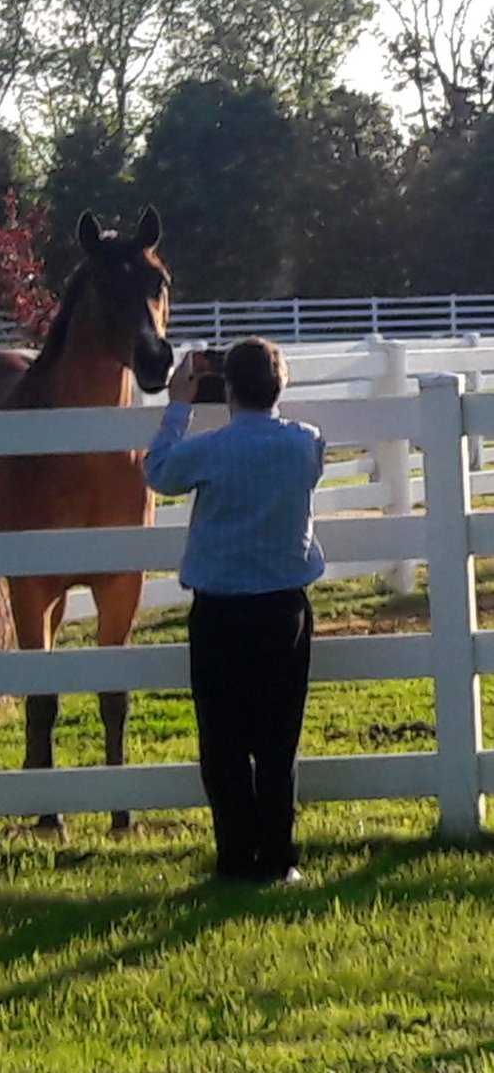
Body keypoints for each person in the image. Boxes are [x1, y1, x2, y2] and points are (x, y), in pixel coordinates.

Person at [144, 337, 325, 884]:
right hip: (283, 607)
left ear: (226, 389)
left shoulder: (211, 450)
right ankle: (278, 857)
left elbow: (159, 472)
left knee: (221, 740)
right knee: (278, 739)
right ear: (280, 385)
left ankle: (234, 858)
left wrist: (178, 404)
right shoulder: (306, 443)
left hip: (220, 608)